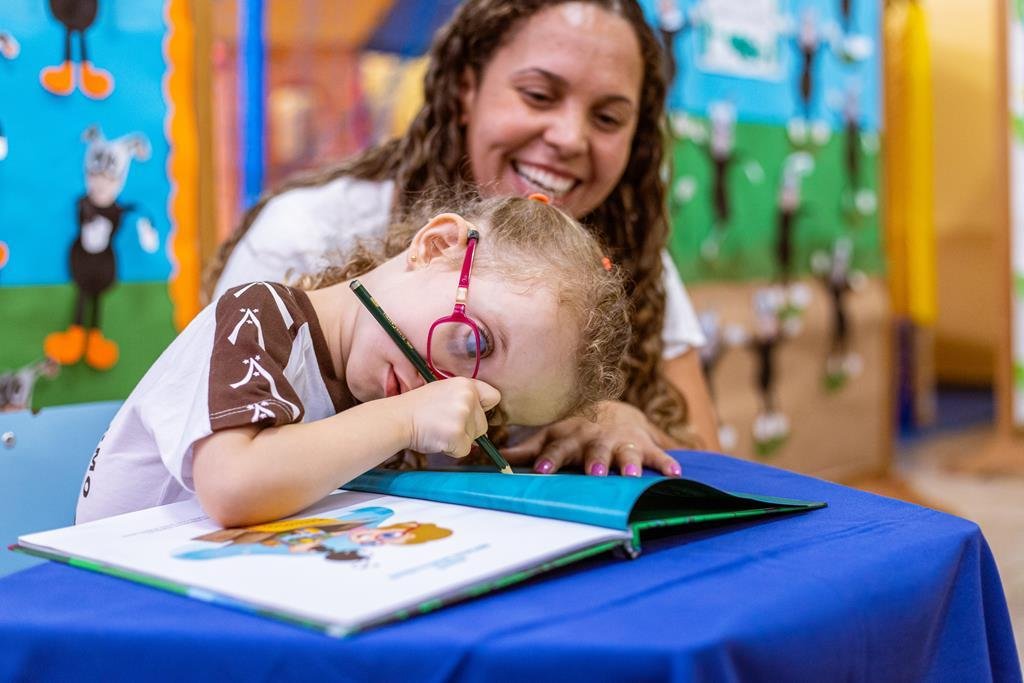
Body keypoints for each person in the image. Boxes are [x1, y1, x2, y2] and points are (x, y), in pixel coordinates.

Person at [206, 0, 721, 477]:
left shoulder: (632, 267)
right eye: (538, 95)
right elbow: (221, 467)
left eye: (607, 118)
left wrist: (621, 421)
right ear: (467, 88)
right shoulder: (307, 232)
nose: (569, 137)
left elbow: (710, 464)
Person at [76, 196, 675, 528]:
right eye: (473, 344)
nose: (448, 390)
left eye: (488, 406)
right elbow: (233, 487)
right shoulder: (258, 316)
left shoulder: (380, 391)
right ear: (436, 247)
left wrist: (595, 422)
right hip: (109, 620)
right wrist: (405, 419)